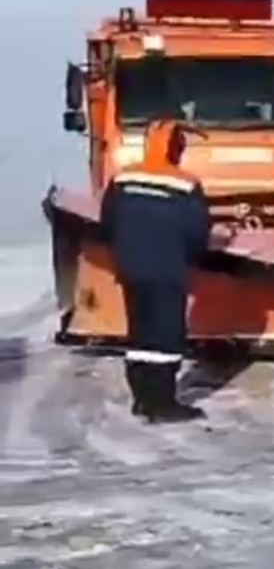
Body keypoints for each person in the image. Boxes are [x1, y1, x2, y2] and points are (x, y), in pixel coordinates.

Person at [99, 119, 211, 423]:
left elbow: (107, 224)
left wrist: (124, 252)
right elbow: (196, 234)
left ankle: (142, 399)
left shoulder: (122, 179)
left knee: (140, 333)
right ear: (175, 148)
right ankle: (163, 403)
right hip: (167, 270)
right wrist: (192, 259)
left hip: (131, 269)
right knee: (165, 337)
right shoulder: (185, 184)